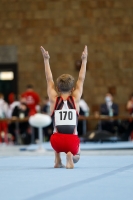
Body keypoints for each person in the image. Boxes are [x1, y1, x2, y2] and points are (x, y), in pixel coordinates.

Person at [40, 45, 88, 169]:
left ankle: (57, 159)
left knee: (57, 134)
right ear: (73, 89)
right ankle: (70, 156)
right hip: (71, 142)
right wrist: (84, 60)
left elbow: (48, 79)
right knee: (77, 156)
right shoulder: (76, 98)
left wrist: (46, 60)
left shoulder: (53, 99)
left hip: (55, 142)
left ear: (57, 88)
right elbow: (81, 79)